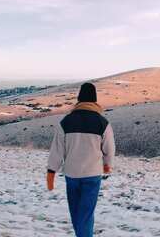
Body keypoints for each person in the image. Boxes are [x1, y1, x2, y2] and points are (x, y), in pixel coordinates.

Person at [46, 82, 115, 237]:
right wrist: (107, 166)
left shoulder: (66, 122)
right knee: (86, 214)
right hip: (92, 175)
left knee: (77, 213)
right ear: (95, 100)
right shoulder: (103, 123)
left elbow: (57, 150)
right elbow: (109, 150)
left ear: (79, 99)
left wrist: (51, 172)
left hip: (72, 175)